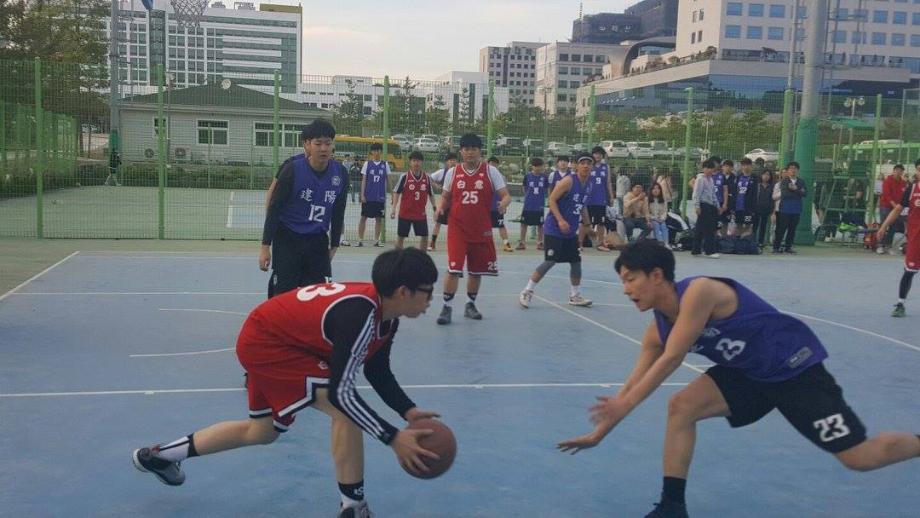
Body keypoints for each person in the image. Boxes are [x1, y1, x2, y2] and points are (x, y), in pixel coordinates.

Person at [557, 240, 920, 518]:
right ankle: (672, 506)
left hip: (795, 371)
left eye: (630, 279)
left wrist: (624, 405)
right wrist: (599, 432)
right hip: (749, 374)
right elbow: (629, 389)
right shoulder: (657, 332)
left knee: (860, 458)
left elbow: (673, 358)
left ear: (656, 275)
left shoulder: (700, 291)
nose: (625, 289)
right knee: (681, 406)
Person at [132, 248, 444, 518]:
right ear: (403, 292)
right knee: (345, 411)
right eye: (428, 291)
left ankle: (159, 456)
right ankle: (353, 507)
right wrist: (393, 438)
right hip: (270, 343)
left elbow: (377, 370)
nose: (431, 298)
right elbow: (341, 393)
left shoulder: (384, 316)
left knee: (262, 431)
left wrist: (408, 411)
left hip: (269, 335)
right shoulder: (360, 314)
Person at [260, 119, 347, 298]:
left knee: (319, 296)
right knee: (284, 295)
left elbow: (338, 211)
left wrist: (334, 244)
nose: (323, 148)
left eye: (328, 143)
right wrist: (265, 246)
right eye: (318, 143)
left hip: (317, 241)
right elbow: (274, 209)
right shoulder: (292, 169)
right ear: (307, 144)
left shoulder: (340, 173)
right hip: (288, 238)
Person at [434, 134, 511, 325]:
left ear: (480, 151)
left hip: (481, 228)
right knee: (454, 268)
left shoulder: (491, 171)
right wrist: (440, 207)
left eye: (474, 149)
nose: (470, 153)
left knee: (476, 271)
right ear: (461, 151)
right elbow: (446, 196)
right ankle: (446, 307)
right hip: (458, 229)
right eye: (466, 149)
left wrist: (504, 203)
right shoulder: (453, 172)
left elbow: (506, 195)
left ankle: (470, 304)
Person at [518, 153, 595, 309]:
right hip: (554, 228)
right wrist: (560, 220)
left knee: (576, 261)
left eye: (589, 163)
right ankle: (527, 290)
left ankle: (574, 295)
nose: (586, 166)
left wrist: (588, 225)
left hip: (570, 231)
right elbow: (552, 199)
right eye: (583, 163)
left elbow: (583, 206)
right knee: (550, 261)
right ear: (576, 165)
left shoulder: (589, 184)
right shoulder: (568, 181)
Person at [876, 161, 920, 318]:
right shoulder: (912, 189)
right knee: (909, 272)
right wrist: (883, 227)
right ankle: (900, 304)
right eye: (919, 169)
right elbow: (897, 210)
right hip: (916, 239)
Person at [391, 151, 436, 250]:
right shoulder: (405, 177)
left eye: (418, 161)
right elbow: (396, 192)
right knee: (400, 237)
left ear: (422, 162)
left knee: (425, 237)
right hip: (405, 213)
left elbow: (431, 194)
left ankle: (422, 257)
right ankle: (398, 256)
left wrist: (435, 209)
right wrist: (393, 209)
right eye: (414, 161)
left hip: (420, 214)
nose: (416, 163)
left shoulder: (426, 178)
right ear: (410, 162)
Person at [357, 143, 390, 247]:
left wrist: (392, 195)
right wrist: (362, 195)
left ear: (381, 151)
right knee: (363, 217)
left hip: (380, 197)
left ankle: (376, 240)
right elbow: (364, 180)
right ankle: (360, 240)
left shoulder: (385, 164)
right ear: (371, 152)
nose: (376, 152)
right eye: (374, 150)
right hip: (368, 196)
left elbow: (389, 180)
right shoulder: (367, 164)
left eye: (378, 150)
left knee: (378, 219)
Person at [772, 161, 806, 254]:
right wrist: (798, 191)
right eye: (791, 168)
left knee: (792, 229)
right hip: (785, 209)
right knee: (781, 228)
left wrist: (795, 189)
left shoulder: (801, 181)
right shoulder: (784, 181)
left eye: (795, 168)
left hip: (796, 209)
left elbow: (804, 193)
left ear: (798, 170)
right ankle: (776, 247)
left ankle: (788, 247)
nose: (793, 170)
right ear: (788, 170)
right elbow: (785, 194)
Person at [586, 146, 615, 252]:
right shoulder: (588, 166)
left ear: (602, 156)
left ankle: (601, 242)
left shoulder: (606, 167)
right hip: (589, 198)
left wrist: (611, 196)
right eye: (595, 153)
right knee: (587, 222)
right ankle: (584, 242)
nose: (597, 156)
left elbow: (608, 182)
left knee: (601, 222)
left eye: (599, 154)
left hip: (601, 198)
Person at [427, 152, 458, 251]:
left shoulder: (460, 172)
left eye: (454, 160)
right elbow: (429, 178)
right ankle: (432, 243)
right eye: (450, 160)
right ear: (446, 162)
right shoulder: (442, 172)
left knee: (456, 225)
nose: (452, 162)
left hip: (456, 203)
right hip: (445, 203)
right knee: (438, 223)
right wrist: (436, 185)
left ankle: (456, 244)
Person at [690, 159, 720, 258]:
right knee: (709, 228)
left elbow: (713, 194)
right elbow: (696, 193)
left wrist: (717, 205)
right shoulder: (700, 179)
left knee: (699, 229)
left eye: (711, 168)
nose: (710, 170)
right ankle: (709, 251)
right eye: (708, 168)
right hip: (703, 205)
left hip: (710, 205)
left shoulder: (711, 180)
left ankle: (696, 250)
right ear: (704, 169)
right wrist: (697, 206)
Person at [517, 157, 548, 251]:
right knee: (523, 224)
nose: (537, 168)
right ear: (532, 167)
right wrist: (529, 196)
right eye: (535, 166)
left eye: (539, 166)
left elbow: (546, 189)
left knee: (540, 225)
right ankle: (522, 242)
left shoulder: (544, 177)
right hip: (528, 205)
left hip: (539, 206)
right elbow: (524, 188)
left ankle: (540, 242)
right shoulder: (527, 176)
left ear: (542, 166)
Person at [877, 164, 907, 255]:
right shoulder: (887, 181)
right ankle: (880, 245)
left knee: (893, 227)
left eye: (900, 171)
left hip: (896, 208)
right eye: (897, 170)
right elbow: (887, 195)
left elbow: (904, 196)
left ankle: (888, 245)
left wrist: (901, 207)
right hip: (886, 206)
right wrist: (895, 206)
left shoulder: (903, 183)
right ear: (893, 171)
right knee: (884, 225)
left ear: (902, 172)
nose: (898, 172)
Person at [487, 156, 514, 252]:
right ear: (488, 164)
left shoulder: (501, 177)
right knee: (485, 227)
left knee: (501, 225)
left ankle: (506, 243)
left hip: (497, 206)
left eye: (495, 164)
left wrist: (504, 205)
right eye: (491, 163)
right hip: (485, 206)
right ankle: (486, 244)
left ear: (497, 165)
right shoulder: (483, 176)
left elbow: (505, 193)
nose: (493, 165)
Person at [731, 158, 757, 237]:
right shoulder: (737, 178)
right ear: (741, 166)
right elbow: (734, 193)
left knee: (748, 226)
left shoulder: (755, 178)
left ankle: (746, 242)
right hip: (738, 207)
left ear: (751, 166)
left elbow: (756, 194)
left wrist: (754, 208)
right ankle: (738, 242)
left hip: (749, 208)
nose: (746, 167)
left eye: (748, 165)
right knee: (738, 226)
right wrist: (733, 207)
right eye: (744, 165)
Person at [752, 170, 775, 249]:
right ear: (761, 175)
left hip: (767, 209)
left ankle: (761, 242)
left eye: (768, 175)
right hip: (757, 208)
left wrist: (772, 210)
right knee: (755, 226)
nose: (766, 176)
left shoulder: (772, 186)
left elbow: (772, 199)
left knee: (764, 226)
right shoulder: (757, 185)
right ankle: (753, 241)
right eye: (764, 174)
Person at [649, 183, 670, 248]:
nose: (656, 190)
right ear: (651, 190)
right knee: (656, 225)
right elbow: (646, 213)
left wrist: (662, 219)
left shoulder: (663, 199)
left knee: (663, 226)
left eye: (658, 188)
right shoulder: (647, 199)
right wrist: (654, 218)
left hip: (661, 218)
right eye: (654, 188)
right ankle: (660, 243)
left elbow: (665, 211)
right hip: (651, 219)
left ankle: (666, 243)